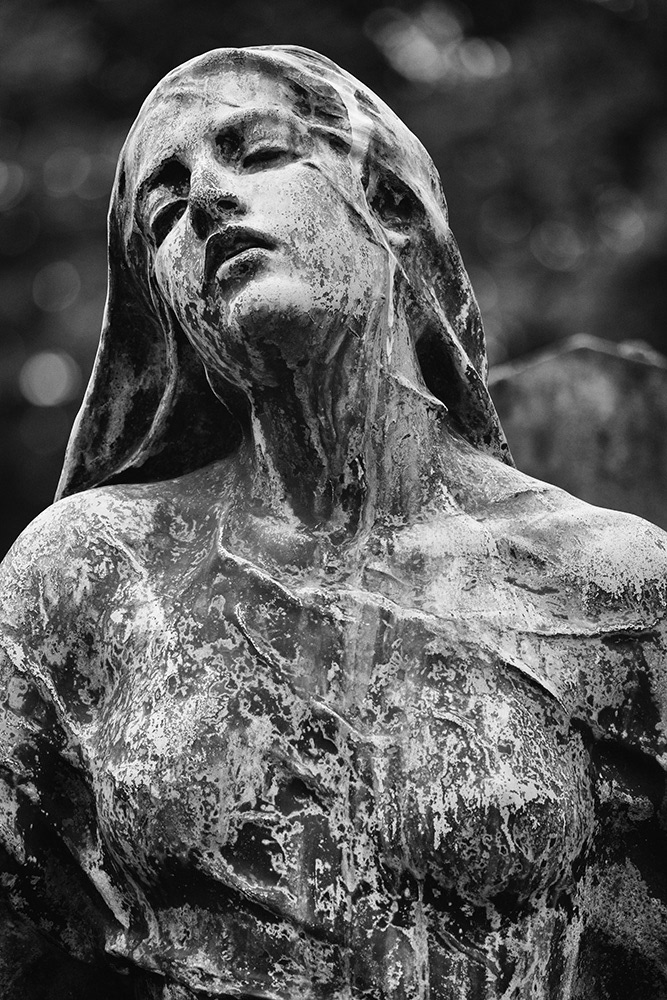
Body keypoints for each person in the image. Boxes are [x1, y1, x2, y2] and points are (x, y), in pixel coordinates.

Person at [1, 46, 666, 1000]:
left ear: (395, 210)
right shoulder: (91, 579)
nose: (205, 205)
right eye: (162, 212)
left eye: (255, 153)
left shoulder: (614, 586)